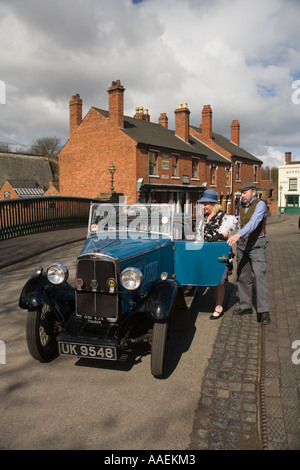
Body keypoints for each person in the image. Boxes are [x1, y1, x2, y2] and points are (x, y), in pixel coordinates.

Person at [227, 182, 270, 325]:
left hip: (256, 244)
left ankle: (263, 311)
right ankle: (246, 306)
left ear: (253, 192)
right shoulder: (241, 204)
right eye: (242, 192)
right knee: (243, 276)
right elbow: (241, 222)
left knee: (259, 276)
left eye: (245, 192)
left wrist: (238, 235)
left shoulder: (260, 205)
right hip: (242, 245)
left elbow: (253, 223)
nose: (242, 195)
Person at [197, 189, 230, 320]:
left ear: (213, 204)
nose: (204, 206)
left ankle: (219, 306)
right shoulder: (204, 218)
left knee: (218, 281)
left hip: (218, 252)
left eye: (206, 204)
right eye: (203, 204)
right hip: (206, 251)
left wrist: (217, 237)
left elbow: (226, 232)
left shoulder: (223, 216)